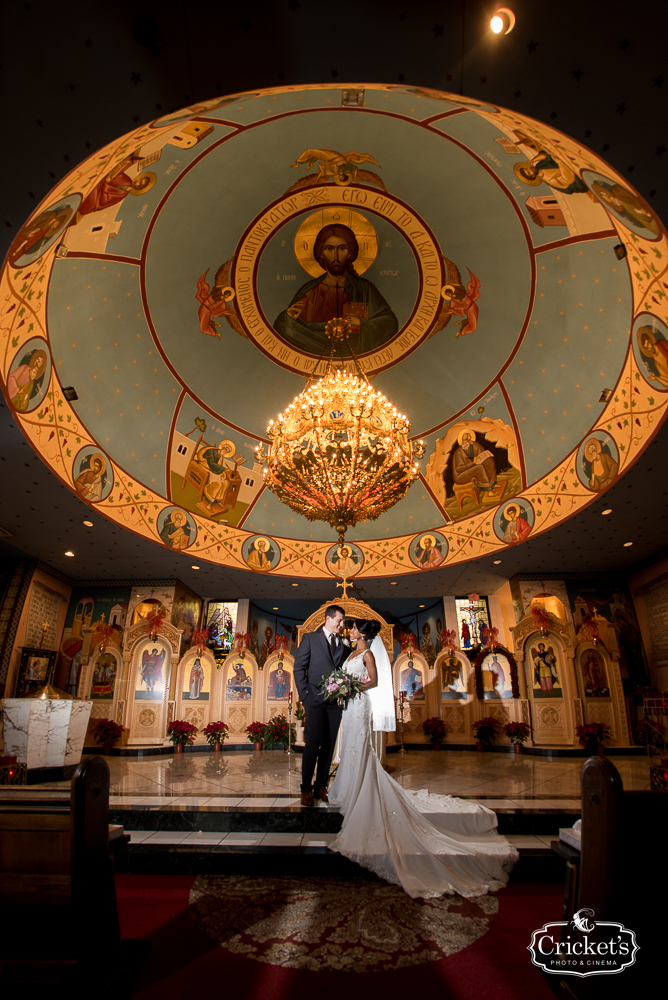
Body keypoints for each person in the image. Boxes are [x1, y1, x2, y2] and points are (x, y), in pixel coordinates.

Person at [328, 620, 518, 898]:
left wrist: (352, 685)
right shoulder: (351, 654)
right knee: (350, 749)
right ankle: (347, 787)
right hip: (350, 705)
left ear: (364, 633)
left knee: (360, 747)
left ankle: (361, 788)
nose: (350, 631)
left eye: (354, 628)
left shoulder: (367, 654)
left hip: (360, 703)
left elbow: (375, 681)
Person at [274, 224, 398, 355]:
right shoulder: (309, 291)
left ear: (350, 253)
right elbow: (285, 332)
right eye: (329, 249)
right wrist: (286, 318)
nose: (336, 255)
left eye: (342, 248)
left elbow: (389, 324)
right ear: (320, 254)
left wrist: (361, 323)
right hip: (315, 357)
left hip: (353, 359)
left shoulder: (363, 289)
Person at [293, 604, 347, 807]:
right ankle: (306, 788)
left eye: (342, 621)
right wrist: (305, 695)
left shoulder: (342, 643)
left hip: (335, 703)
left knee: (329, 745)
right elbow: (299, 667)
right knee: (313, 744)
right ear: (328, 618)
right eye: (339, 620)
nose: (342, 625)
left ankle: (321, 786)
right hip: (313, 700)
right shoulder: (310, 638)